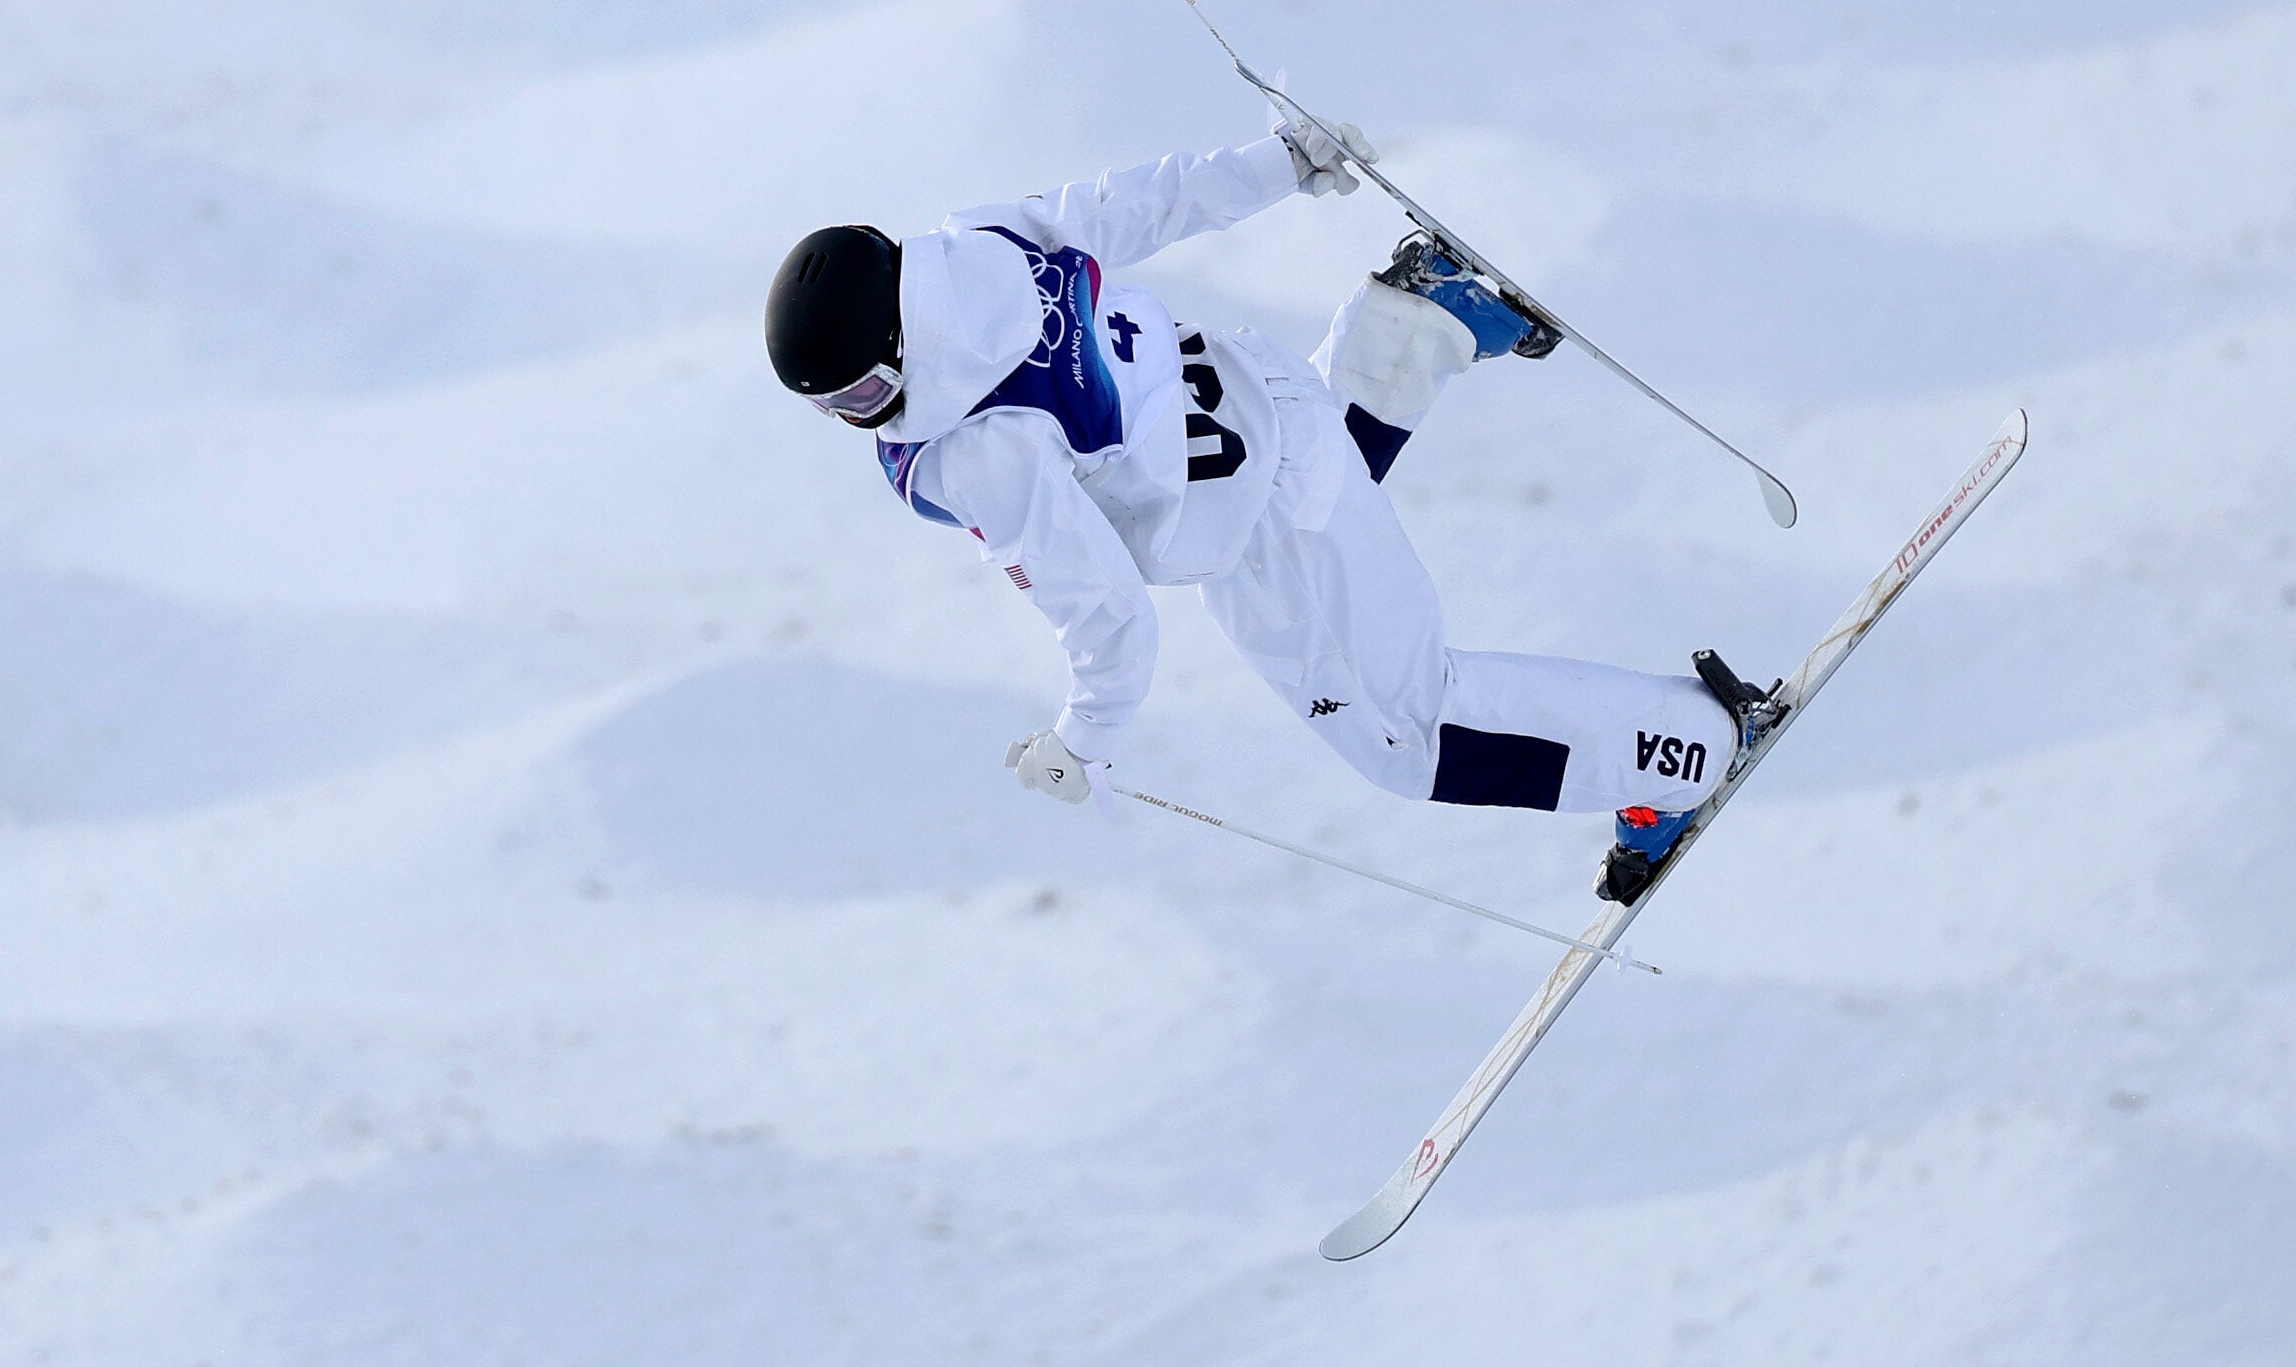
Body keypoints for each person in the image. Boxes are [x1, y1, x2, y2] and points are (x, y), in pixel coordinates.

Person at [763, 119, 1782, 903]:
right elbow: (1136, 204)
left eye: (857, 395)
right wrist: (1283, 160)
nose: (866, 422)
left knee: (1408, 735)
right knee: (1337, 510)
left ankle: (1678, 750)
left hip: (1261, 526)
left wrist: (1084, 741)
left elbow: (1108, 615)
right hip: (1264, 399)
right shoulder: (977, 242)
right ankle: (1414, 323)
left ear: (896, 350)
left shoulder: (980, 451)